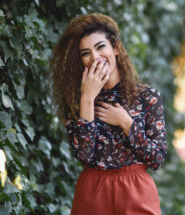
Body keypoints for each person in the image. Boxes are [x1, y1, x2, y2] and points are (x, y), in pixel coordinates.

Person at [50, 13, 167, 215]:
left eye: (100, 47)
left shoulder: (148, 97)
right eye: (86, 53)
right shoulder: (77, 100)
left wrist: (126, 122)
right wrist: (87, 97)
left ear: (116, 48)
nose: (95, 57)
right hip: (93, 191)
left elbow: (156, 158)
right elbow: (85, 155)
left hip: (137, 189)